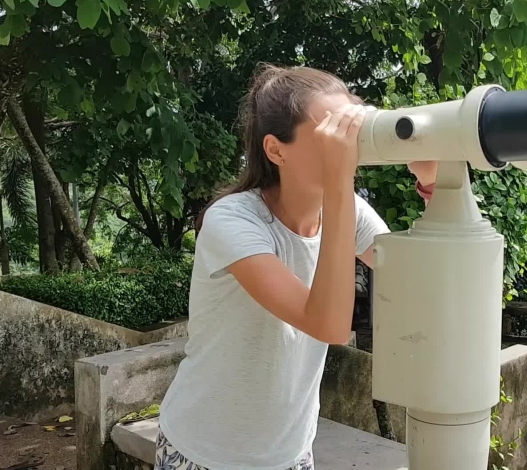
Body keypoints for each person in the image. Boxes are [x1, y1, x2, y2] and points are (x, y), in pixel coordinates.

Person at [155, 64, 438, 470]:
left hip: (291, 455)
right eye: (330, 135)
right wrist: (341, 185)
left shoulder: (348, 212)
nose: (346, 147)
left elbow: (419, 283)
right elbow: (328, 324)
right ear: (276, 150)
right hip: (203, 453)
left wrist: (434, 187)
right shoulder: (232, 221)